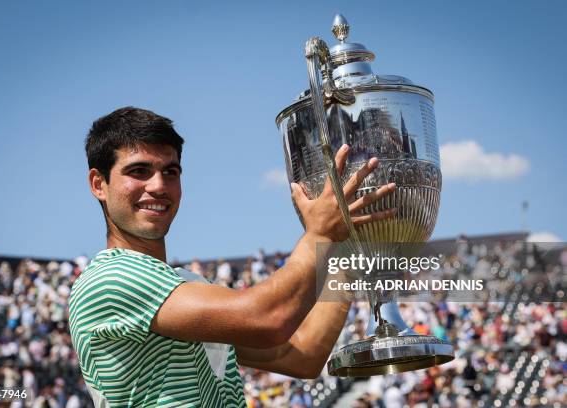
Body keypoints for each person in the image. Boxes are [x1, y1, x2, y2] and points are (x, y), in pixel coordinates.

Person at [68, 106, 396, 407]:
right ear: (99, 184)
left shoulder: (188, 285)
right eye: (138, 171)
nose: (158, 185)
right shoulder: (109, 280)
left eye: (170, 171)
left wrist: (343, 256)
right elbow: (268, 319)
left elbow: (303, 355)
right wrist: (321, 234)